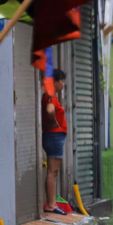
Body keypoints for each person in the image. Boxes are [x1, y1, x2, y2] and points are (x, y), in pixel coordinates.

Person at [41, 69, 68, 215]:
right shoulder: (50, 96)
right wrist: (54, 122)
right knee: (52, 171)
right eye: (61, 81)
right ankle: (51, 204)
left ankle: (52, 203)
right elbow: (50, 110)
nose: (63, 84)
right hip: (54, 136)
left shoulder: (49, 96)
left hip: (53, 136)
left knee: (53, 171)